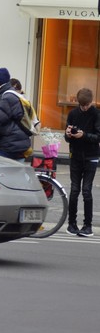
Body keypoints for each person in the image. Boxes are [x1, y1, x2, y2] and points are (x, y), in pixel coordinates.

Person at [64, 88, 100, 237]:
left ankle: (88, 226)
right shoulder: (73, 114)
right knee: (74, 190)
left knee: (86, 191)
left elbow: (98, 137)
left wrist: (84, 135)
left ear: (91, 102)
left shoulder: (96, 114)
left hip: (91, 156)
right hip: (76, 156)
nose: (85, 108)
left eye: (87, 105)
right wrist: (67, 134)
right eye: (82, 105)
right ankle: (71, 224)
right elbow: (67, 137)